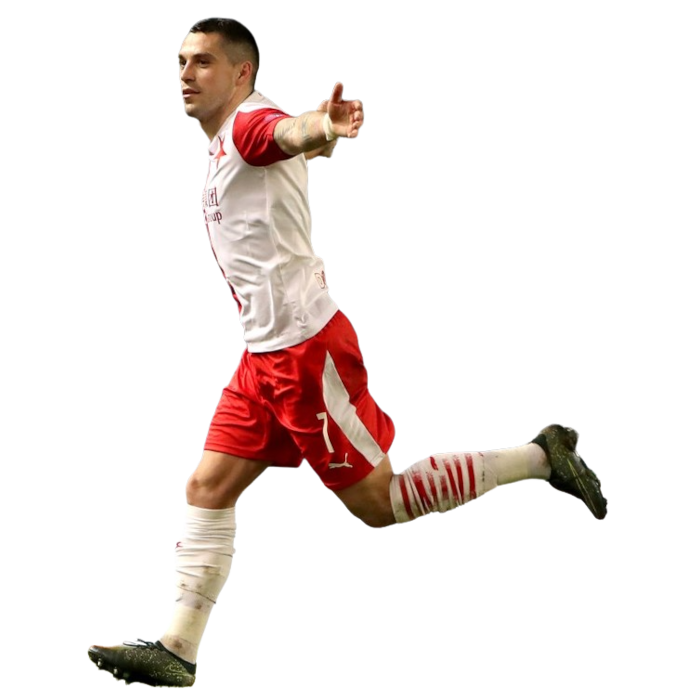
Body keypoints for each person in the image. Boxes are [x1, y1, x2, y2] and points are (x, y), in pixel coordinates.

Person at [87, 16, 607, 689]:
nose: (186, 74)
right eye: (182, 61)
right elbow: (296, 149)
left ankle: (540, 457)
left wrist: (319, 127)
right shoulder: (229, 143)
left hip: (306, 354)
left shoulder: (248, 125)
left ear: (242, 73)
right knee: (207, 488)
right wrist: (320, 142)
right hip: (262, 357)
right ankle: (177, 649)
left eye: (204, 62)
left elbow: (287, 133)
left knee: (378, 505)